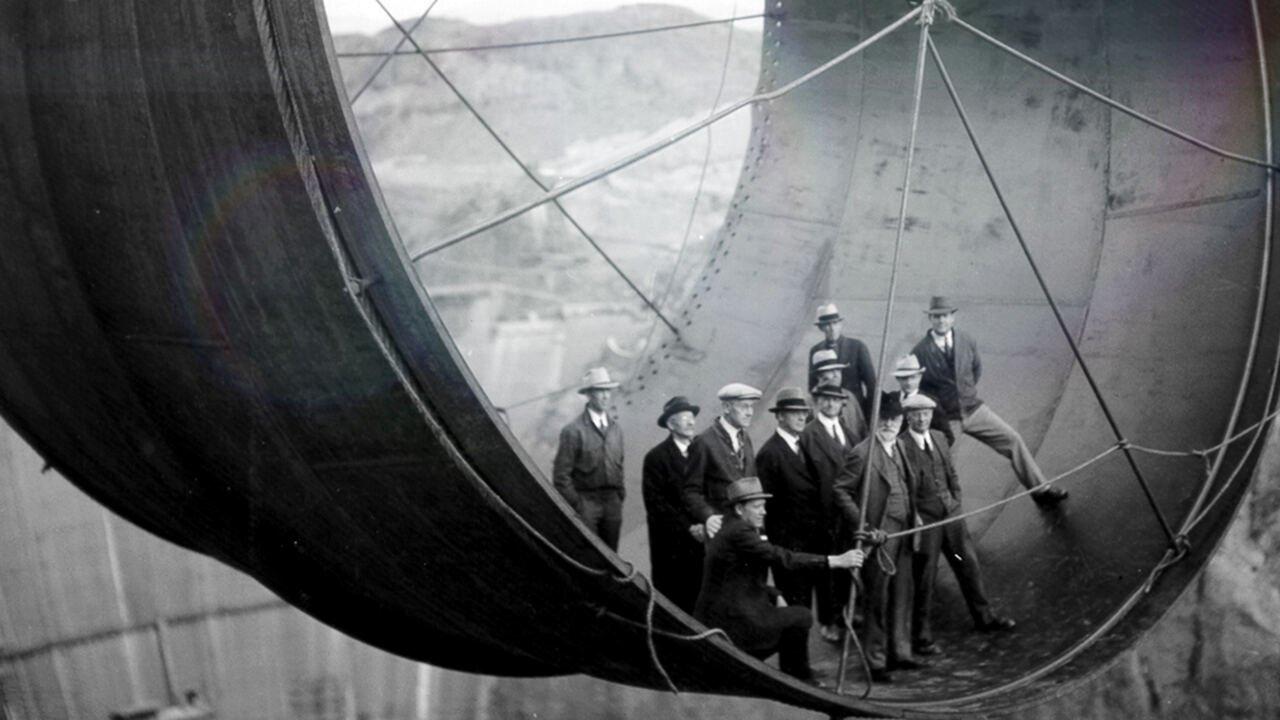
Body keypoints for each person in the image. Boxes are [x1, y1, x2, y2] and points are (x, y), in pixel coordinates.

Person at [695, 476, 865, 685]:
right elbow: (782, 558)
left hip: (725, 613)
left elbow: (737, 576)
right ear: (739, 509)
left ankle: (792, 672)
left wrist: (775, 594)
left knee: (790, 614)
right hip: (731, 621)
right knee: (802, 616)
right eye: (757, 507)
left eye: (764, 506)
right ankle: (797, 677)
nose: (763, 512)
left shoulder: (732, 527)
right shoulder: (739, 531)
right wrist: (835, 560)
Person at [912, 296, 1068, 507]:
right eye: (936, 317)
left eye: (945, 316)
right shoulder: (920, 351)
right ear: (930, 319)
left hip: (974, 409)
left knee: (1013, 440)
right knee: (940, 464)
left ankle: (1041, 490)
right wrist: (939, 412)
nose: (941, 321)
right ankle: (940, 516)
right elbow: (920, 389)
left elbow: (976, 369)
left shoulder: (966, 340)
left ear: (953, 318)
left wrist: (965, 394)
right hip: (947, 419)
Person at [900, 393, 1015, 658]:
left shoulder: (939, 438)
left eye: (926, 413)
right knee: (925, 578)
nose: (922, 418)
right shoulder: (901, 445)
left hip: (951, 518)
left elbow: (952, 474)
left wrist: (955, 502)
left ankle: (984, 617)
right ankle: (921, 635)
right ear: (908, 417)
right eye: (916, 414)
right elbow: (903, 487)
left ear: (931, 415)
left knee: (968, 566)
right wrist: (915, 515)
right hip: (926, 523)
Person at [833, 392, 921, 682]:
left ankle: (901, 652)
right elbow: (841, 490)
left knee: (902, 595)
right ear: (875, 421)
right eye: (883, 420)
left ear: (901, 422)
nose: (888, 425)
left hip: (906, 531)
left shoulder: (902, 447)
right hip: (879, 536)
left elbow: (908, 486)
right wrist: (864, 524)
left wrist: (915, 515)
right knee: (877, 600)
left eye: (894, 420)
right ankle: (876, 661)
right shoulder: (861, 452)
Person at [755, 388, 831, 639]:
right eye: (794, 413)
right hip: (789, 547)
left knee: (806, 607)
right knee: (796, 609)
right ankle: (796, 669)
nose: (801, 417)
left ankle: (802, 668)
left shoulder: (804, 445)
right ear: (780, 417)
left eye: (803, 413)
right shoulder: (770, 454)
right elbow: (764, 508)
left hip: (812, 542)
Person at [799, 381, 856, 643]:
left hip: (846, 512)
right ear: (817, 402)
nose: (830, 403)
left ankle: (844, 613)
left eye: (835, 399)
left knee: (847, 565)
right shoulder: (808, 434)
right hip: (823, 514)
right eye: (825, 399)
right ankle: (827, 621)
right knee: (827, 571)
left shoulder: (846, 429)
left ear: (842, 402)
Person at [642, 396, 708, 613]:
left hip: (703, 539)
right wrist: (689, 526)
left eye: (692, 417)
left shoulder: (703, 451)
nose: (691, 422)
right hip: (671, 544)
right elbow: (656, 504)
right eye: (685, 418)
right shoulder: (655, 458)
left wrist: (706, 522)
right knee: (675, 601)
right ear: (671, 425)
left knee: (703, 597)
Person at [552, 367, 625, 550]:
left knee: (612, 556)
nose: (605, 396)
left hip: (612, 503)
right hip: (587, 503)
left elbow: (619, 465)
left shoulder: (616, 430)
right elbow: (561, 476)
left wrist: (619, 495)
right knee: (590, 553)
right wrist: (578, 505)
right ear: (589, 394)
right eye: (600, 391)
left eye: (607, 390)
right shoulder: (573, 431)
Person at [684, 383, 761, 539]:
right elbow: (691, 491)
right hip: (721, 532)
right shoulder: (704, 442)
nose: (750, 413)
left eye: (751, 407)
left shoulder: (745, 438)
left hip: (746, 529)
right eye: (744, 407)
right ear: (726, 407)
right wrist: (708, 517)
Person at [808, 303, 876, 425]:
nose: (832, 328)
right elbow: (812, 385)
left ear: (840, 324)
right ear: (821, 328)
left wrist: (868, 415)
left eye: (835, 323)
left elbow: (872, 385)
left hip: (853, 412)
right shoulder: (816, 351)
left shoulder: (857, 347)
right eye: (827, 325)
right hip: (826, 410)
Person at [811, 348, 868, 442]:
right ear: (819, 375)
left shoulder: (849, 397)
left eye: (838, 370)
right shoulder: (810, 402)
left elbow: (862, 428)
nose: (836, 375)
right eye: (831, 370)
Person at [893, 354, 953, 442]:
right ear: (897, 378)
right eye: (904, 378)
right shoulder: (889, 399)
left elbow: (948, 437)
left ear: (920, 377)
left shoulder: (930, 402)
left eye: (913, 377)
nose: (909, 382)